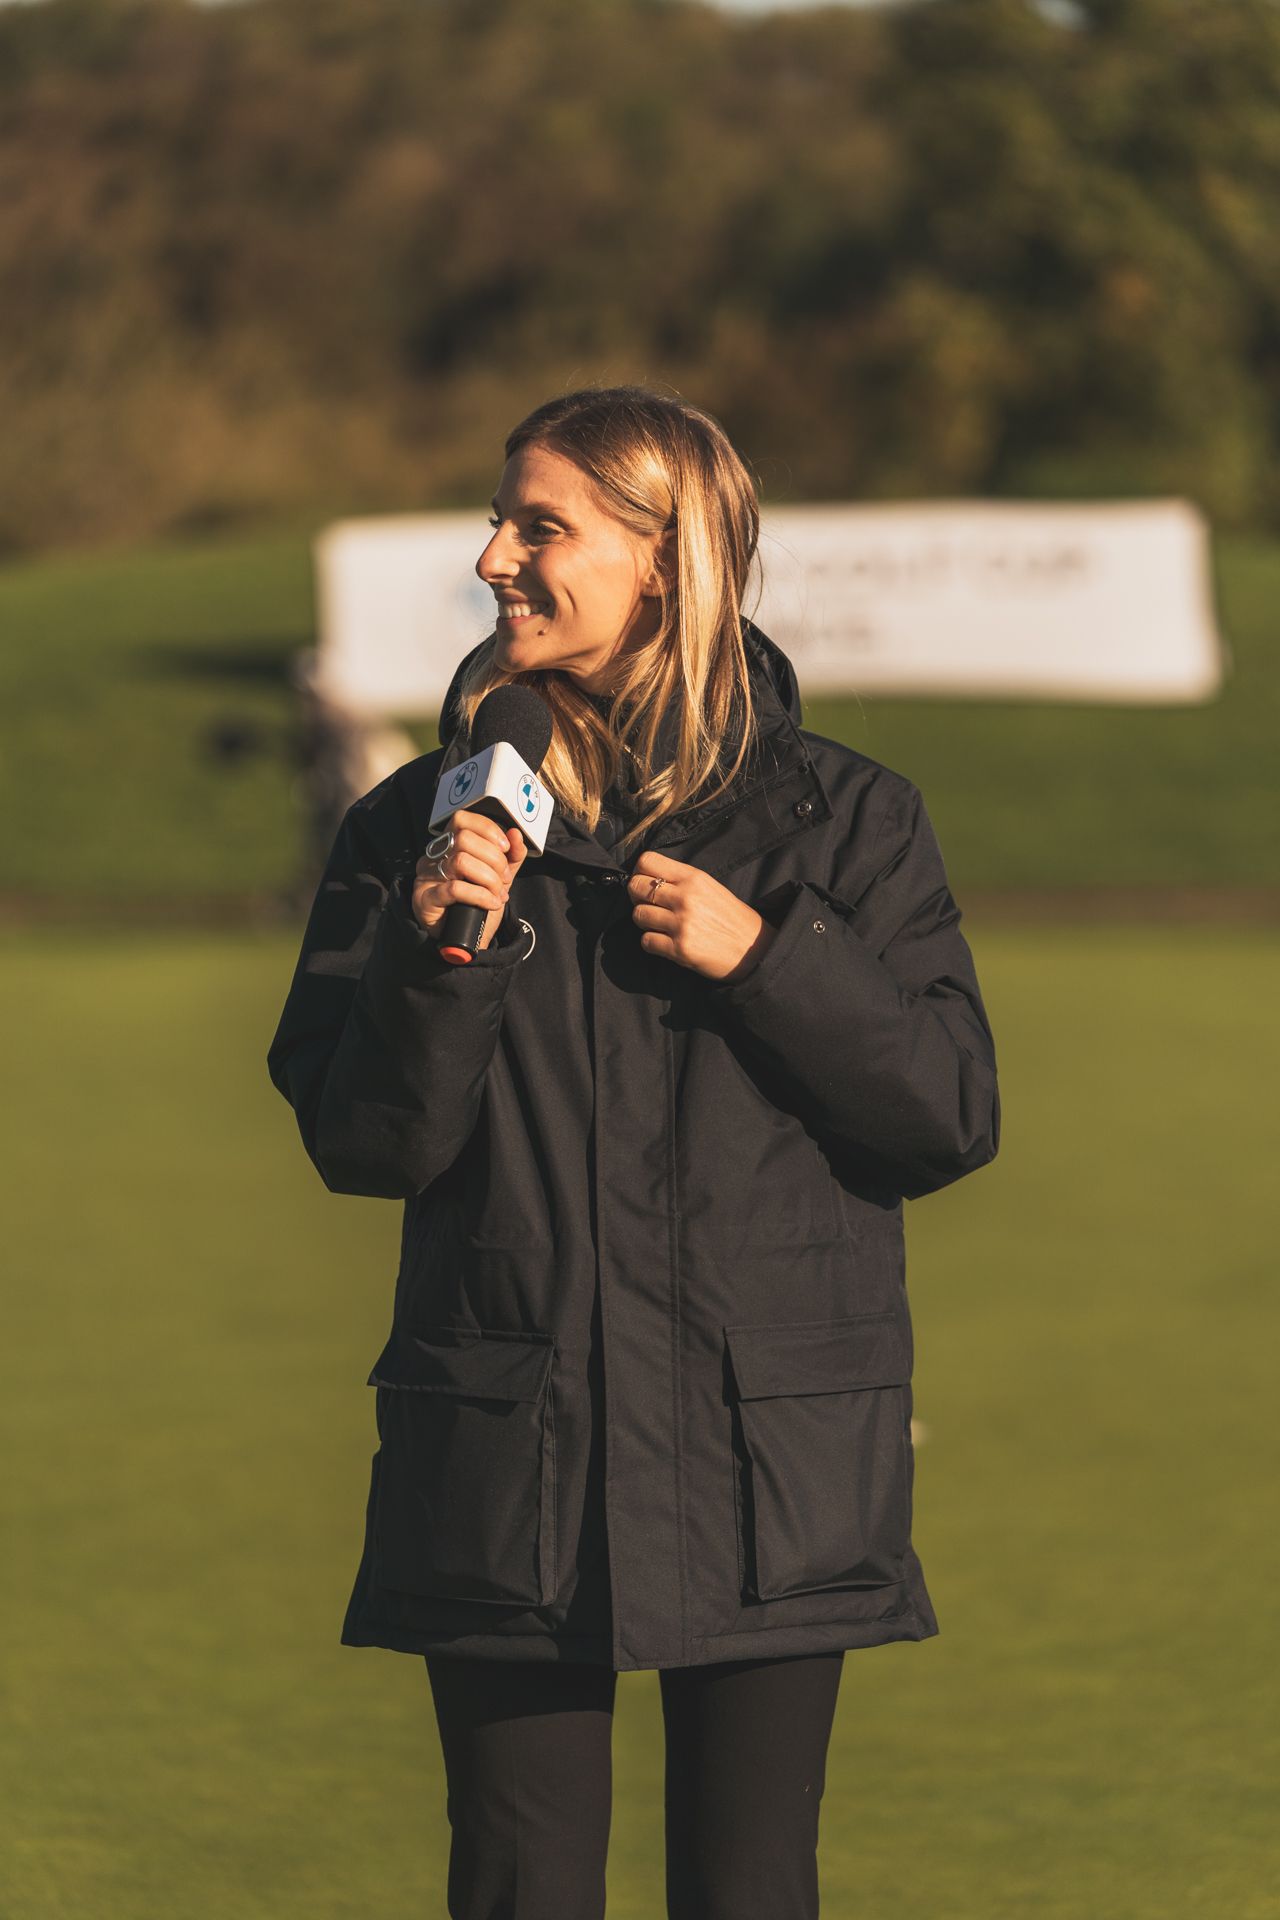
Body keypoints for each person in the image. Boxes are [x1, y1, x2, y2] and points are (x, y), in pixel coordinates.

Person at [266, 386, 1001, 1919]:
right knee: (519, 1882)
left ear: (666, 558)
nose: (493, 559)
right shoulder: (412, 831)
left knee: (749, 1886)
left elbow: (945, 1112)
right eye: (498, 521)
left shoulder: (848, 826)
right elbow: (368, 1142)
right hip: (507, 1460)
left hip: (768, 1461)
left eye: (540, 527)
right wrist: (438, 952)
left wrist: (771, 961)